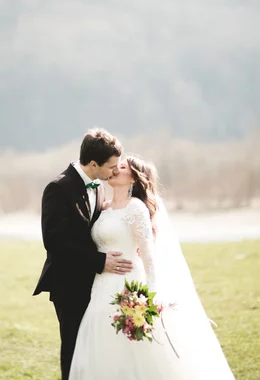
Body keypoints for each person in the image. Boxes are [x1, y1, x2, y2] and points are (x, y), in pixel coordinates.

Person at [68, 156, 236, 379]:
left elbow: (149, 258)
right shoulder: (103, 208)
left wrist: (149, 300)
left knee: (132, 353)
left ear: (134, 179)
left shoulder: (136, 208)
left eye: (123, 166)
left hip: (127, 287)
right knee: (103, 348)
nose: (116, 168)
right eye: (116, 165)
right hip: (100, 288)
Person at [33, 128, 135, 379]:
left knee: (95, 350)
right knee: (74, 349)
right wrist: (101, 262)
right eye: (112, 166)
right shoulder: (58, 188)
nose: (115, 170)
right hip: (68, 284)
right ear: (93, 163)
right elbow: (55, 242)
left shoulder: (99, 188)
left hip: (98, 285)